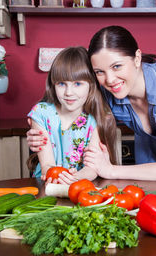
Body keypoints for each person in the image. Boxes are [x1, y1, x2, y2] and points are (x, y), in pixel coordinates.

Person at [27, 26, 156, 181]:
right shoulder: (106, 90)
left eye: (117, 66)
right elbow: (68, 106)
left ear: (137, 58)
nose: (110, 80)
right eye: (99, 72)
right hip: (149, 149)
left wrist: (111, 171)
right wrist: (40, 129)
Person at [26, 46, 118, 184]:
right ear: (53, 84)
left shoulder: (97, 118)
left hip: (82, 184)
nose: (69, 92)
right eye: (62, 84)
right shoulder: (41, 113)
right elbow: (47, 165)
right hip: (47, 184)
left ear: (91, 85)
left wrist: (74, 179)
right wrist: (58, 178)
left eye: (78, 84)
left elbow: (92, 168)